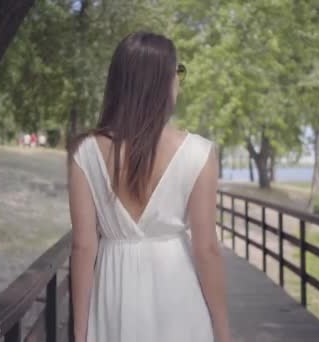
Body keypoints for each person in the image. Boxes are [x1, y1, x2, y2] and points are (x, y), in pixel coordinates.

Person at [68, 32, 230, 342]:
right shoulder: (199, 153)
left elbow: (83, 247)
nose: (179, 80)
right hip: (177, 294)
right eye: (177, 70)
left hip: (112, 294)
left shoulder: (85, 152)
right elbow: (206, 249)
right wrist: (222, 333)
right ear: (163, 82)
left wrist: (80, 332)